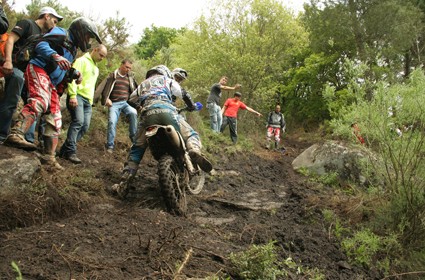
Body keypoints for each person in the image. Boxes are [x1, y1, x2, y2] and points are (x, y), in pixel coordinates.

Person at [4, 17, 102, 170]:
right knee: (40, 101)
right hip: (38, 68)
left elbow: (63, 65)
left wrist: (74, 73)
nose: (88, 41)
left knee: (55, 118)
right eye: (88, 36)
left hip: (52, 81)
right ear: (81, 31)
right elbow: (41, 44)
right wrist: (55, 55)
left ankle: (49, 157)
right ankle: (16, 133)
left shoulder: (73, 48)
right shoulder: (62, 33)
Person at [113, 65, 212, 194]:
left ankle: (124, 184)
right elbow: (184, 94)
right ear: (165, 73)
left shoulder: (143, 84)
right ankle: (194, 150)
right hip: (167, 111)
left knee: (137, 148)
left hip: (147, 115)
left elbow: (130, 99)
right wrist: (191, 106)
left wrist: (140, 108)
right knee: (191, 134)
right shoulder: (168, 80)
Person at [0, 7, 63, 144]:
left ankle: (26, 138)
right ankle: (2, 135)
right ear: (46, 16)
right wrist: (8, 61)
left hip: (30, 72)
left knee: (35, 102)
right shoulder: (27, 24)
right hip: (16, 68)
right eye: (54, 20)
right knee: (12, 98)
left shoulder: (44, 36)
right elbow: (10, 40)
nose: (55, 24)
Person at [58, 44, 107, 164]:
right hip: (78, 96)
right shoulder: (81, 61)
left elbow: (91, 86)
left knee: (85, 126)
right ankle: (71, 152)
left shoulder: (96, 68)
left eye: (104, 57)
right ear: (95, 50)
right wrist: (73, 95)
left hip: (87, 101)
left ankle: (64, 150)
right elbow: (72, 77)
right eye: (101, 55)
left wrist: (91, 101)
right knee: (78, 122)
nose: (102, 58)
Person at [97, 59, 138, 153]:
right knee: (112, 122)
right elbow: (103, 88)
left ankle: (134, 140)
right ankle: (110, 146)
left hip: (125, 103)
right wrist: (106, 99)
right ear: (121, 65)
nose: (128, 69)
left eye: (130, 68)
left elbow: (136, 91)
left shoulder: (130, 78)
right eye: (126, 67)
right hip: (114, 103)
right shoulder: (113, 76)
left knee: (133, 112)